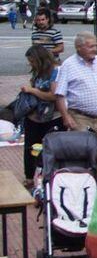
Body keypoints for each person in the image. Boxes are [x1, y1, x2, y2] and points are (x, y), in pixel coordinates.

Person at [54, 32, 97, 149]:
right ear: (79, 47)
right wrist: (66, 117)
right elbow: (60, 94)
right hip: (80, 118)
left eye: (96, 46)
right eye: (91, 46)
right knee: (83, 150)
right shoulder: (69, 65)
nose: (95, 49)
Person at [18, 45, 63, 186]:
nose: (31, 64)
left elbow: (53, 95)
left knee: (51, 147)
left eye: (32, 61)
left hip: (52, 117)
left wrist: (32, 91)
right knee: (30, 147)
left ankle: (51, 175)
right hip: (34, 116)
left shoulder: (55, 72)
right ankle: (30, 176)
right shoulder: (37, 72)